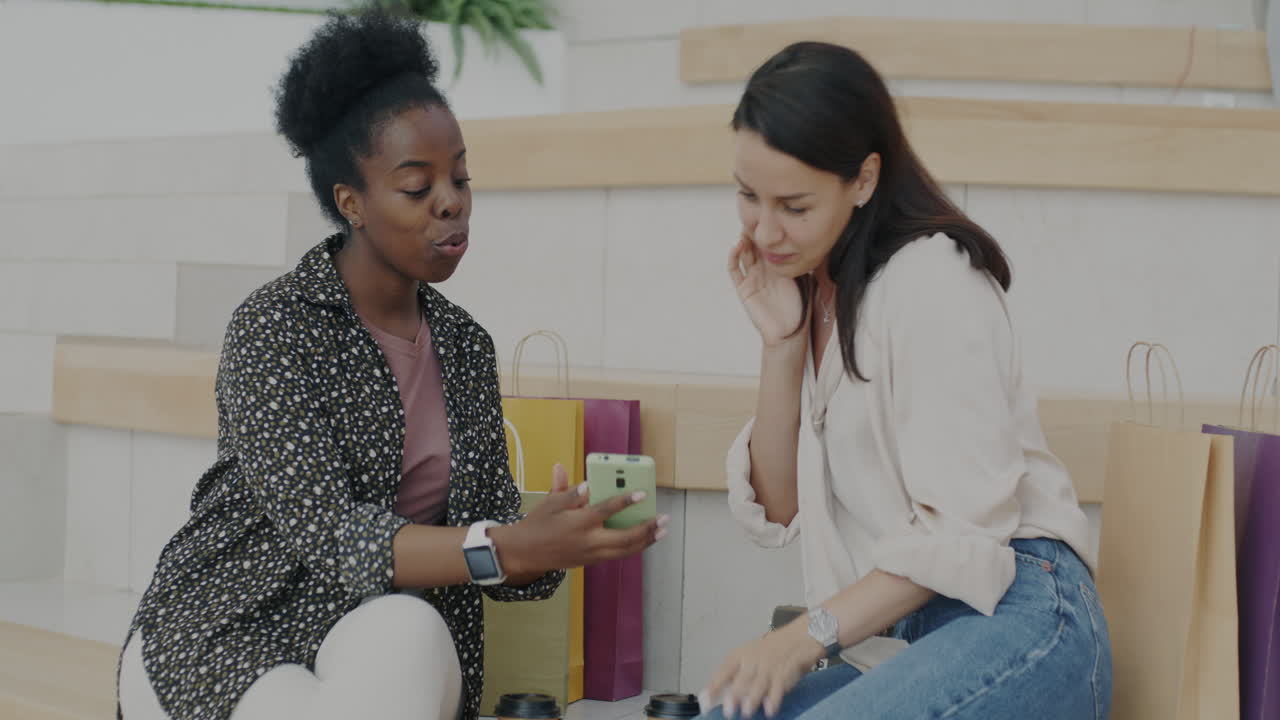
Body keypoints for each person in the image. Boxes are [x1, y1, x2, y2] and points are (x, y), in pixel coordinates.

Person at [116, 10, 666, 720]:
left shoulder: (465, 347)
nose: (452, 203)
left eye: (461, 178)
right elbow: (334, 536)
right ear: (353, 203)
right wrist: (504, 544)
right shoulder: (276, 328)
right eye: (418, 187)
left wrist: (555, 539)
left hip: (377, 646)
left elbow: (493, 554)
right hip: (232, 630)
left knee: (412, 628)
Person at [704, 42, 1112, 720]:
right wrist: (781, 346)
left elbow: (962, 533)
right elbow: (779, 510)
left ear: (864, 179)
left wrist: (803, 638)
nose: (765, 230)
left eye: (793, 205)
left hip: (1027, 616)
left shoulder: (932, 279)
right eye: (748, 196)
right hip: (915, 639)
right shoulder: (816, 292)